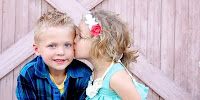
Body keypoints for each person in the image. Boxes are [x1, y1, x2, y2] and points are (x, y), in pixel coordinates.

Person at [16, 10, 92, 100]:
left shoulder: (84, 74)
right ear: (37, 49)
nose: (61, 52)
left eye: (67, 45)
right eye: (52, 46)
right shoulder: (28, 74)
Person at [74, 10, 149, 100]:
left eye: (80, 36)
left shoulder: (116, 77)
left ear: (100, 44)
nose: (74, 40)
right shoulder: (96, 73)